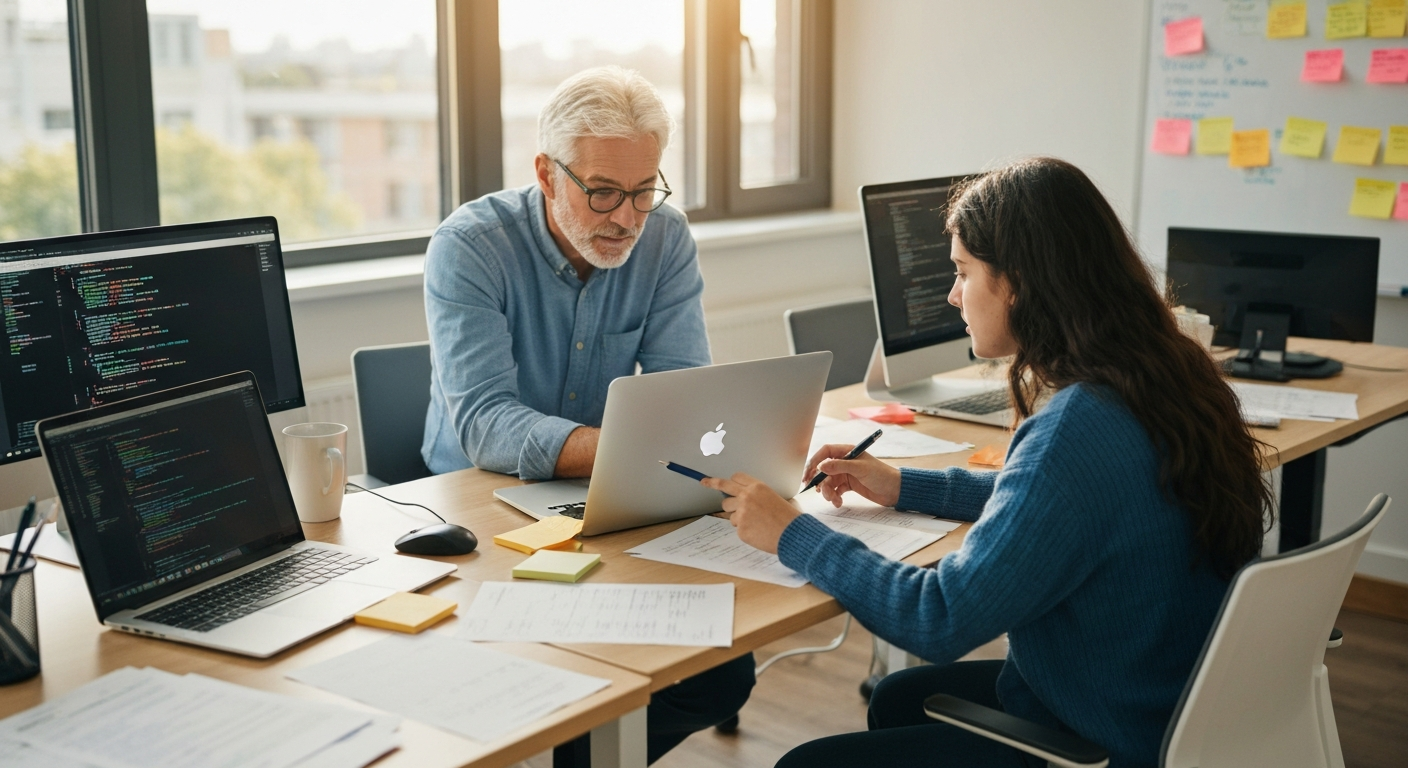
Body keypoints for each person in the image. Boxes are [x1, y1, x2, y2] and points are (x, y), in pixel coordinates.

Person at [701, 157, 1271, 768]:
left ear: (1017, 282)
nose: (953, 295)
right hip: (1163, 699)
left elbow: (939, 618)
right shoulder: (1164, 374)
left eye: (963, 271)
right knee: (898, 697)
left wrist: (793, 533)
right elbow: (1059, 505)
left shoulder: (1078, 425)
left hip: (1102, 739)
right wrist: (902, 485)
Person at [421, 66, 753, 763]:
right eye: (602, 191)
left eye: (643, 190)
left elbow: (682, 393)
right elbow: (484, 423)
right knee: (548, 685)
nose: (626, 217)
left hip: (601, 495)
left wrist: (682, 449)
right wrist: (635, 450)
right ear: (547, 174)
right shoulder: (470, 246)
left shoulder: (664, 238)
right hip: (480, 508)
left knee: (722, 676)